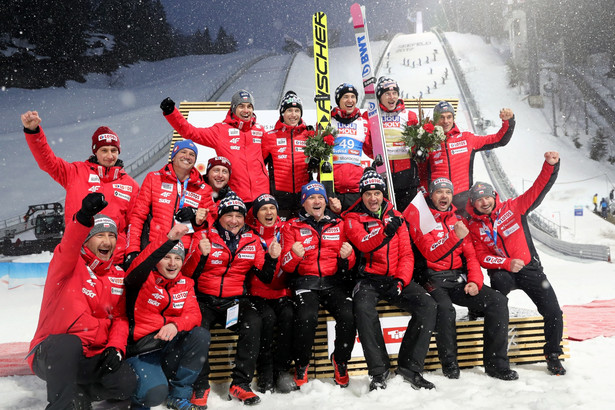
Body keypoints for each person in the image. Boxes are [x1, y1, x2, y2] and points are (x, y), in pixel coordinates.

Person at [27, 193, 137, 409]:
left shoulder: (117, 275)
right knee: (69, 343)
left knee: (126, 383)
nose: (107, 241)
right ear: (87, 239)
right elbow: (69, 244)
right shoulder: (68, 266)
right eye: (100, 235)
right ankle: (62, 404)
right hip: (53, 355)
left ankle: (79, 394)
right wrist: (84, 218)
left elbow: (121, 318)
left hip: (91, 356)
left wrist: (115, 347)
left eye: (112, 235)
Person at [405, 177, 517, 381]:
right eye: (439, 192)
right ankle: (449, 363)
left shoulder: (458, 220)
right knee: (446, 309)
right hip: (431, 278)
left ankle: (496, 365)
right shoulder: (423, 219)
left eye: (448, 192)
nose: (444, 196)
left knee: (498, 301)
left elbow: (471, 256)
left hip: (457, 278)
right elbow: (431, 253)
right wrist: (453, 237)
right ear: (431, 194)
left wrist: (475, 281)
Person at [466, 151, 566, 376]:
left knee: (553, 312)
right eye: (479, 200)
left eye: (487, 197)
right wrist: (506, 263)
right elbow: (482, 256)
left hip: (530, 269)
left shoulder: (514, 207)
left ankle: (553, 355)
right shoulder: (474, 225)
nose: (484, 202)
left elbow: (538, 189)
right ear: (473, 204)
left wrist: (550, 166)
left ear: (494, 196)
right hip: (503, 271)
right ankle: (496, 354)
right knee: (498, 303)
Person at [182, 191, 281, 405]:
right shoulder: (206, 235)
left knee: (253, 321)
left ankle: (240, 383)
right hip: (204, 299)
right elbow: (189, 274)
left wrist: (272, 258)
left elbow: (264, 276)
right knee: (199, 331)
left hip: (234, 301)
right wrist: (201, 254)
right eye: (229, 215)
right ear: (219, 217)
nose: (234, 221)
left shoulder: (252, 239)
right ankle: (200, 386)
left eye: (239, 216)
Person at [343, 169, 437, 390]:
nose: (373, 198)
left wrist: (401, 281)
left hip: (394, 278)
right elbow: (364, 243)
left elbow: (406, 254)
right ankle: (379, 370)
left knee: (428, 305)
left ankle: (410, 367)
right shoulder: (351, 218)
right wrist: (385, 232)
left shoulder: (397, 216)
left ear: (383, 194)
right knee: (363, 309)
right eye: (368, 194)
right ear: (361, 195)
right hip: (367, 279)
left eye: (377, 193)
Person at [22, 111, 139, 263]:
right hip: (79, 257)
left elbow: (135, 226)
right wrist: (33, 132)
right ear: (95, 151)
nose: (109, 155)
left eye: (113, 150)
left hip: (115, 260)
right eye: (104, 150)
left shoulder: (131, 185)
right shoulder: (75, 172)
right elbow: (47, 162)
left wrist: (131, 254)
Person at [124, 223, 209, 410]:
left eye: (177, 258)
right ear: (156, 260)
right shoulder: (142, 279)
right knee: (153, 394)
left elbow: (194, 315)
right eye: (166, 257)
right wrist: (168, 239)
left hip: (168, 347)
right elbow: (141, 263)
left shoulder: (185, 283)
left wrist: (175, 325)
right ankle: (138, 395)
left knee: (200, 335)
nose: (172, 263)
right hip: (142, 351)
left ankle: (179, 395)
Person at [280, 181, 356, 388]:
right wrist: (294, 255)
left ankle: (340, 360)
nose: (316, 201)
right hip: (306, 282)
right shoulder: (291, 226)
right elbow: (285, 266)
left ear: (325, 202)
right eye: (311, 197)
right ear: (304, 202)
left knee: (349, 314)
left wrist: (347, 258)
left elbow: (351, 260)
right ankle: (302, 363)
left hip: (333, 283)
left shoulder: (338, 223)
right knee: (306, 316)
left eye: (320, 197)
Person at [160, 90, 268, 206]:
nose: (246, 110)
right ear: (233, 108)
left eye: (249, 106)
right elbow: (191, 132)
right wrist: (172, 113)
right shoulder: (220, 131)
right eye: (241, 106)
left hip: (262, 195)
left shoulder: (259, 130)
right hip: (235, 196)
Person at [126, 139, 214, 267]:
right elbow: (137, 217)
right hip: (154, 247)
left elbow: (209, 223)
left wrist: (195, 216)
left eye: (192, 154)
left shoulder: (203, 188)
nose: (187, 157)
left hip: (183, 253)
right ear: (173, 155)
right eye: (183, 152)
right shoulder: (154, 178)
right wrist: (132, 250)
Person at [245, 194, 295, 393]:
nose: (268, 212)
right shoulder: (249, 234)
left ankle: (282, 370)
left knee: (290, 316)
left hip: (282, 291)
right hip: (258, 293)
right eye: (263, 209)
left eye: (272, 208)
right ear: (256, 214)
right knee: (266, 319)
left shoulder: (286, 230)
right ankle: (265, 371)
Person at [426, 101, 515, 212]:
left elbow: (498, 139)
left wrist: (508, 122)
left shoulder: (467, 139)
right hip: (438, 200)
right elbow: (421, 171)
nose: (446, 121)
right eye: (441, 117)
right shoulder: (427, 141)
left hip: (462, 200)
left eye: (449, 117)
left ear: (453, 118)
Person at [375, 77, 424, 211]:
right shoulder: (374, 116)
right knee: (387, 216)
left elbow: (416, 142)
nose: (392, 97)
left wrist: (419, 151)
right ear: (380, 96)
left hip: (406, 175)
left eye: (394, 93)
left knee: (407, 216)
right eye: (387, 94)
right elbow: (369, 144)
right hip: (384, 173)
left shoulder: (409, 115)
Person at [262, 91, 312, 219]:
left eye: (297, 110)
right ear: (282, 113)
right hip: (279, 198)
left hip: (304, 196)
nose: (293, 115)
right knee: (281, 233)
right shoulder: (270, 137)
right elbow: (260, 167)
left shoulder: (309, 135)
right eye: (289, 110)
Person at [329, 83, 373, 210]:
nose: (350, 100)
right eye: (345, 97)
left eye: (353, 96)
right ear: (338, 100)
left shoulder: (363, 123)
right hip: (332, 186)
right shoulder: (327, 121)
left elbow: (372, 150)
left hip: (355, 187)